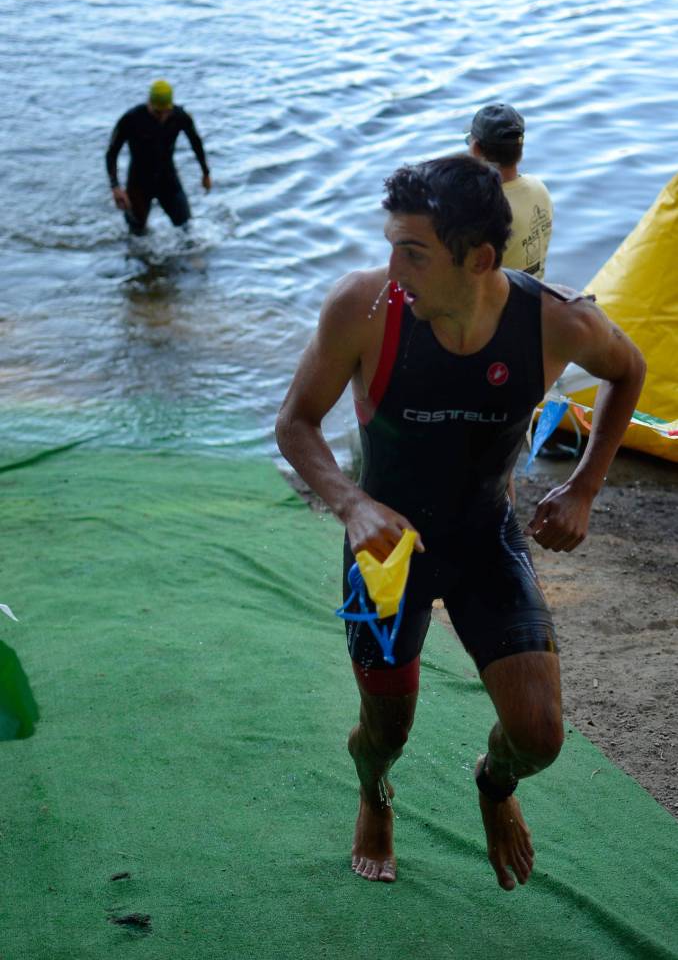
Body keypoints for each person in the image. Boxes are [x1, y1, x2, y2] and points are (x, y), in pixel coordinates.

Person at [275, 154, 645, 890]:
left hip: (483, 539)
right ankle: (374, 791)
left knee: (539, 736)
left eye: (412, 252)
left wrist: (583, 486)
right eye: (390, 245)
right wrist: (352, 503)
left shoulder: (554, 321)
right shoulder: (364, 309)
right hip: (384, 556)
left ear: (478, 259)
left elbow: (627, 369)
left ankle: (493, 786)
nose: (392, 268)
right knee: (385, 732)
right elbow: (295, 425)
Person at [105, 80, 211, 236]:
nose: (162, 117)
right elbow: (112, 152)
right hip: (138, 183)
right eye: (157, 112)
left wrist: (205, 173)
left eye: (166, 112)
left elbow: (196, 143)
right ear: (149, 103)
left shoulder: (180, 116)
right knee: (137, 235)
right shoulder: (131, 119)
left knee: (187, 229)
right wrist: (115, 187)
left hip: (168, 179)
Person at [466, 103, 552, 280]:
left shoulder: (481, 207)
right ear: (519, 149)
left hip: (497, 305)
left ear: (475, 149)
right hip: (535, 294)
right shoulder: (539, 188)